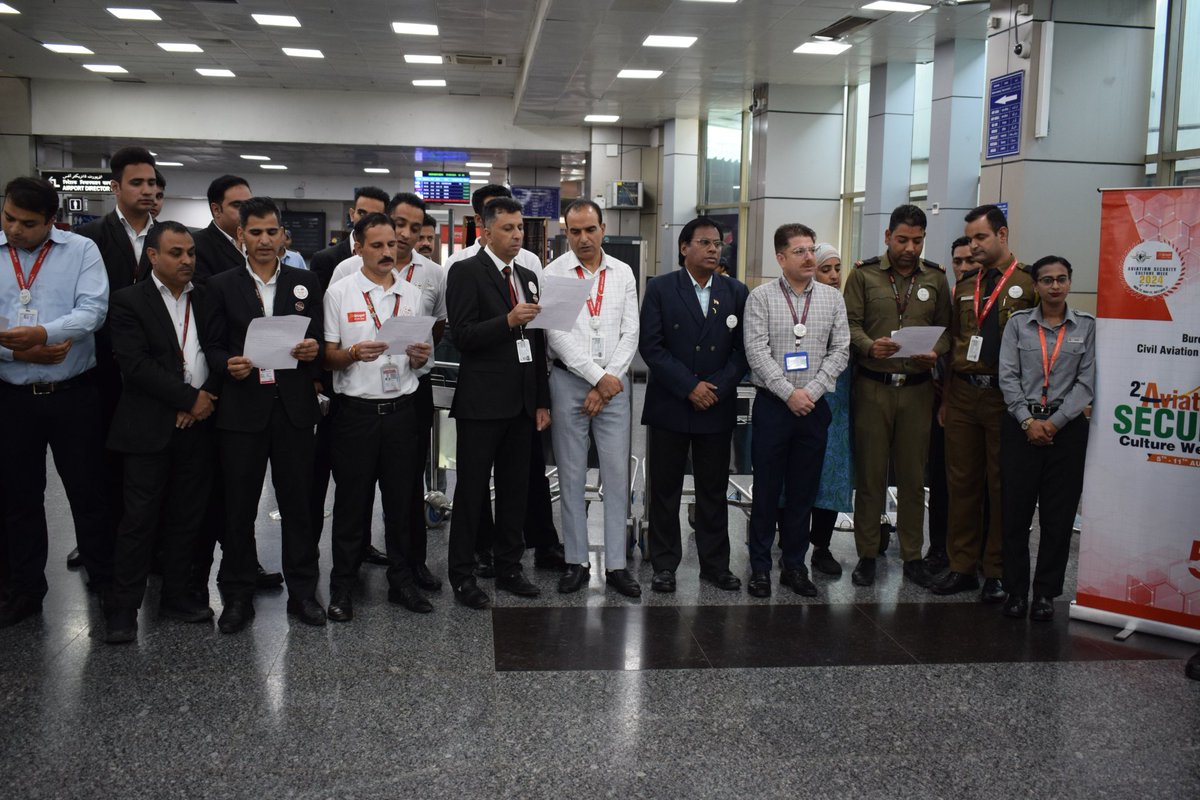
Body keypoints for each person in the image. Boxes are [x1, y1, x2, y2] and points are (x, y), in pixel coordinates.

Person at [203, 196, 325, 632]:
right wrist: (226, 364)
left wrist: (312, 350)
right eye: (255, 232)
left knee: (299, 505)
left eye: (272, 231)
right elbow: (211, 345)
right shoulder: (220, 285)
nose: (264, 240)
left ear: (283, 235)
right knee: (238, 507)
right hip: (242, 410)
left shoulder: (305, 281)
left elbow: (318, 337)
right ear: (241, 235)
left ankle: (304, 593)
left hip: (293, 410)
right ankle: (238, 594)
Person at [0, 177, 111, 627]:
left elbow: (93, 311)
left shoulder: (81, 251)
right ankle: (25, 589)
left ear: (51, 221)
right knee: (18, 498)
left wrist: (43, 333)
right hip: (12, 397)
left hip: (72, 395)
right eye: (9, 218)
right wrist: (18, 352)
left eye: (28, 223)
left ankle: (106, 583)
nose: (15, 229)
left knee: (89, 494)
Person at [103, 222, 220, 643]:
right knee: (139, 520)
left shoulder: (206, 296)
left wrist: (203, 397)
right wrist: (187, 399)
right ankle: (123, 610)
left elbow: (220, 351)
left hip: (199, 425)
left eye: (190, 252)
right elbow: (135, 365)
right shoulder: (128, 301)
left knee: (186, 517)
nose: (187, 260)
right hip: (148, 427)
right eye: (176, 253)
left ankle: (176, 595)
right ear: (152, 256)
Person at [328, 192, 446, 589]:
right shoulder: (342, 284)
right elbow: (329, 350)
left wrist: (418, 356)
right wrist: (352, 354)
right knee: (352, 499)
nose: (390, 248)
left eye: (394, 243)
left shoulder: (419, 287)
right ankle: (346, 581)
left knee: (403, 497)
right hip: (356, 408)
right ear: (360, 246)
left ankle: (406, 577)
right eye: (379, 243)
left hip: (404, 403)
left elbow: (430, 341)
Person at [445, 183, 565, 574]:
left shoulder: (528, 276)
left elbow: (538, 341)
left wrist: (542, 401)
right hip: (482, 404)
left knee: (516, 490)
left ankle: (510, 567)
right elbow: (463, 336)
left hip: (522, 404)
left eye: (520, 228)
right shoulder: (466, 272)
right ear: (486, 232)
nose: (517, 235)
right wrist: (507, 320)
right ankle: (463, 572)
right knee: (472, 491)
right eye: (508, 228)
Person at [932, 205, 1038, 601]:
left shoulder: (1028, 282)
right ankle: (961, 566)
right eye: (970, 238)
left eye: (981, 237)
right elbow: (954, 341)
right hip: (962, 394)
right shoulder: (965, 285)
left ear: (1002, 235)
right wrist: (946, 395)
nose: (973, 245)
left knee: (1001, 485)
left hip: (1004, 397)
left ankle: (996, 569)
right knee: (961, 483)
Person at [843, 204, 950, 588]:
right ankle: (867, 554)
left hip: (918, 391)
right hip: (874, 388)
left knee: (912, 478)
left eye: (917, 241)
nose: (909, 248)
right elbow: (849, 323)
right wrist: (869, 346)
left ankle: (912, 555)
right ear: (888, 236)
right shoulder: (863, 274)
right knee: (871, 476)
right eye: (902, 240)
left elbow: (948, 330)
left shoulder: (936, 277)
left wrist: (936, 351)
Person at [639, 216, 748, 594]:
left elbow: (742, 351)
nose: (714, 249)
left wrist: (714, 388)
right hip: (671, 403)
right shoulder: (661, 288)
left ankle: (715, 565)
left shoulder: (735, 291)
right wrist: (690, 387)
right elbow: (652, 346)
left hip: (715, 404)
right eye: (705, 243)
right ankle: (664, 564)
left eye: (718, 243)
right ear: (684, 247)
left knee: (713, 490)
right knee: (665, 490)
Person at [743, 224, 849, 598]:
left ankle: (794, 566)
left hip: (814, 409)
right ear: (781, 258)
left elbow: (841, 350)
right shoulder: (761, 297)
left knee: (804, 492)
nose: (809, 257)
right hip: (774, 406)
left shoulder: (832, 299)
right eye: (800, 251)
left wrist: (812, 392)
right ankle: (760, 568)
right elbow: (756, 352)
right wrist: (789, 393)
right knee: (767, 491)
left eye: (811, 250)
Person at [545, 199, 641, 597]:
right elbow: (556, 335)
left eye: (590, 229)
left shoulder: (622, 272)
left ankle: (616, 564)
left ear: (603, 229)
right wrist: (596, 378)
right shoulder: (555, 273)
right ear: (566, 233)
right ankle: (577, 561)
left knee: (616, 475)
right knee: (570, 473)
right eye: (575, 231)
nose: (583, 238)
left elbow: (630, 331)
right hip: (569, 382)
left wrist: (608, 380)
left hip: (613, 385)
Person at [997, 255, 1094, 621]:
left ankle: (1045, 594)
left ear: (1070, 282)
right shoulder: (1018, 324)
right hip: (1021, 428)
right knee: (1015, 515)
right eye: (1048, 280)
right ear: (1036, 285)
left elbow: (1087, 382)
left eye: (1062, 279)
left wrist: (1054, 423)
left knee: (1058, 518)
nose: (1055, 286)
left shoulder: (1087, 326)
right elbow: (1008, 376)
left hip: (1066, 431)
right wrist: (1027, 421)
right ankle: (1015, 591)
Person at [75, 146, 159, 566]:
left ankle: (154, 548)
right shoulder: (89, 238)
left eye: (152, 183)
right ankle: (101, 547)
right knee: (101, 461)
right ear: (115, 187)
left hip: (157, 367)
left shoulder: (172, 238)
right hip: (104, 366)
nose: (147, 190)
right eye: (137, 182)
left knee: (153, 465)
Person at [800, 243, 853, 577]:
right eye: (825, 269)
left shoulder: (846, 307)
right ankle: (790, 542)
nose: (834, 276)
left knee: (830, 474)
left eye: (837, 269)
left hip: (836, 403)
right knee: (794, 472)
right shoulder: (793, 305)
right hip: (797, 398)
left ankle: (821, 546)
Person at [925, 235, 973, 573]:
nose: (964, 267)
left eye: (971, 260)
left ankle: (972, 553)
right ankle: (938, 549)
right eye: (958, 261)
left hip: (974, 398)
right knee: (940, 479)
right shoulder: (946, 296)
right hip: (938, 398)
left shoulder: (992, 299)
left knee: (973, 482)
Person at [309, 187, 389, 291]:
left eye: (374, 216)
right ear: (352, 214)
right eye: (362, 213)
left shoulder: (390, 258)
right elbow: (319, 300)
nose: (366, 220)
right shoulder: (324, 260)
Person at [193, 174, 252, 282]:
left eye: (249, 205)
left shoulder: (255, 241)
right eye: (237, 205)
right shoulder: (197, 245)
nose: (246, 211)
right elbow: (205, 288)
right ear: (216, 210)